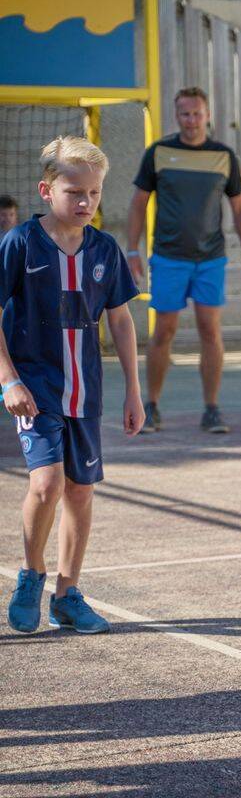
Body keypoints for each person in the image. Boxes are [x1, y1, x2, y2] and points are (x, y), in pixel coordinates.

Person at [2, 137, 143, 634]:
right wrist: (8, 379)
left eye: (95, 192)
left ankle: (67, 593)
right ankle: (30, 575)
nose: (85, 202)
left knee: (80, 493)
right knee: (46, 483)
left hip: (86, 392)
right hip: (34, 388)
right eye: (73, 191)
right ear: (47, 189)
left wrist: (133, 390)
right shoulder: (19, 243)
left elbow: (121, 322)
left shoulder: (104, 249)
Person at [126, 86, 241, 435]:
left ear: (208, 115)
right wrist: (133, 250)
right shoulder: (159, 152)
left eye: (198, 113)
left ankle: (211, 408)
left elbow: (240, 210)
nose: (192, 120)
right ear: (177, 115)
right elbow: (138, 202)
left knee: (210, 331)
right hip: (168, 258)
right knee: (164, 331)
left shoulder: (224, 156)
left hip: (210, 260)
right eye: (185, 113)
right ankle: (151, 405)